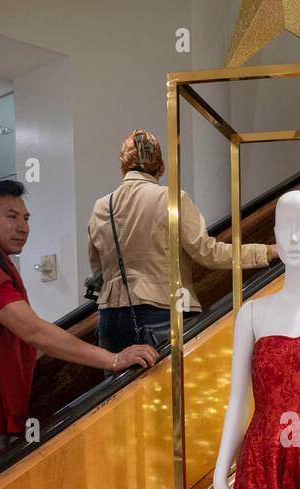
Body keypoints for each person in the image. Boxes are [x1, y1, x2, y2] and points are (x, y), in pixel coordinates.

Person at [0, 179, 157, 488]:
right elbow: (34, 331)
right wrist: (113, 359)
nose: (23, 226)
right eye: (11, 216)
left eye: (26, 217)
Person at [87, 130, 277, 353]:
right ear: (161, 167)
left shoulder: (101, 206)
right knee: (172, 386)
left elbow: (97, 268)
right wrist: (267, 252)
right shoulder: (173, 199)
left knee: (119, 388)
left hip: (111, 319)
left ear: (123, 166)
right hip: (163, 312)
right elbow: (209, 253)